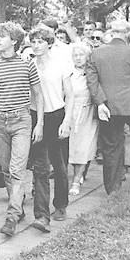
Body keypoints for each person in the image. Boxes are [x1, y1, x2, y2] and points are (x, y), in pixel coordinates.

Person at [0, 21, 44, 237]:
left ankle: (11, 217)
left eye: (2, 36)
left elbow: (38, 94)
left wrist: (40, 123)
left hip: (21, 121)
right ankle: (18, 206)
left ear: (14, 41)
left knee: (17, 171)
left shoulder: (27, 65)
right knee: (6, 168)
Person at [86, 19, 130, 194]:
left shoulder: (96, 53)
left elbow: (92, 82)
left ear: (110, 32)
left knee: (111, 144)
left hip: (108, 105)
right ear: (128, 34)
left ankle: (112, 186)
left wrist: (100, 102)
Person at [27, 26, 74, 229]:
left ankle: (61, 204)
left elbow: (70, 95)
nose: (36, 46)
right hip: (36, 115)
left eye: (40, 42)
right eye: (34, 42)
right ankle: (41, 214)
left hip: (56, 114)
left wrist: (67, 122)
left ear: (49, 43)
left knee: (60, 164)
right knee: (40, 166)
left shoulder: (60, 64)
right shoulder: (29, 65)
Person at [68, 43, 98, 195]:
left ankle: (76, 180)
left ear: (88, 57)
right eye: (75, 55)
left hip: (87, 112)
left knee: (84, 146)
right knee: (71, 147)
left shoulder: (92, 72)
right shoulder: (68, 72)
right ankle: (77, 174)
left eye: (81, 55)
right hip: (70, 113)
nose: (78, 58)